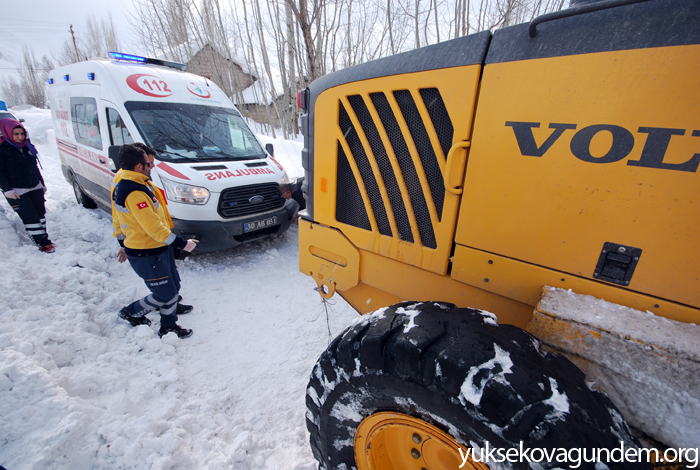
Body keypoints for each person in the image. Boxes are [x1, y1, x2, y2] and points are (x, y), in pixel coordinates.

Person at [112, 143, 199, 338]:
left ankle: (169, 321)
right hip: (146, 252)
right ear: (138, 166)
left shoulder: (140, 183)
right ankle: (132, 312)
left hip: (158, 248)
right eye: (148, 164)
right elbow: (152, 227)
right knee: (164, 293)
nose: (152, 166)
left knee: (173, 286)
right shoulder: (133, 191)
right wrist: (182, 244)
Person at [0, 118, 54, 253]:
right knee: (30, 216)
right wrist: (7, 190)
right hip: (17, 191)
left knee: (40, 213)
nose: (20, 137)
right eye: (16, 134)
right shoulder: (2, 150)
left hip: (34, 186)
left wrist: (41, 183)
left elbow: (34, 167)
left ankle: (42, 236)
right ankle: (42, 243)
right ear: (7, 133)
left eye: (22, 134)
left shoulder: (27, 147)